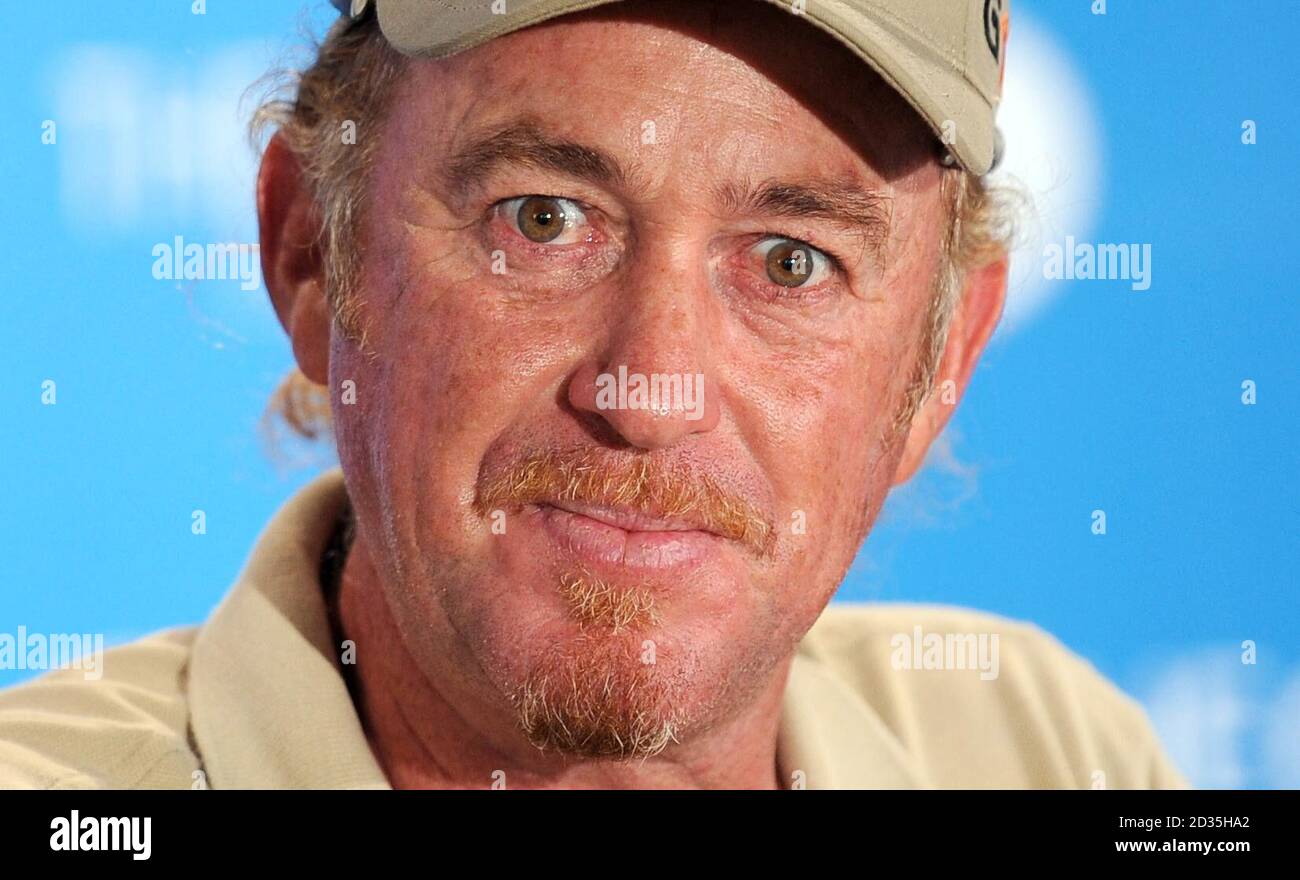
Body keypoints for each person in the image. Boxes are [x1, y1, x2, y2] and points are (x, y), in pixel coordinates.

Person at [0, 0, 1187, 789]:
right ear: (314, 255)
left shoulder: (1050, 749)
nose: (650, 389)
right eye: (544, 220)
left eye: (789, 259)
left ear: (942, 359)